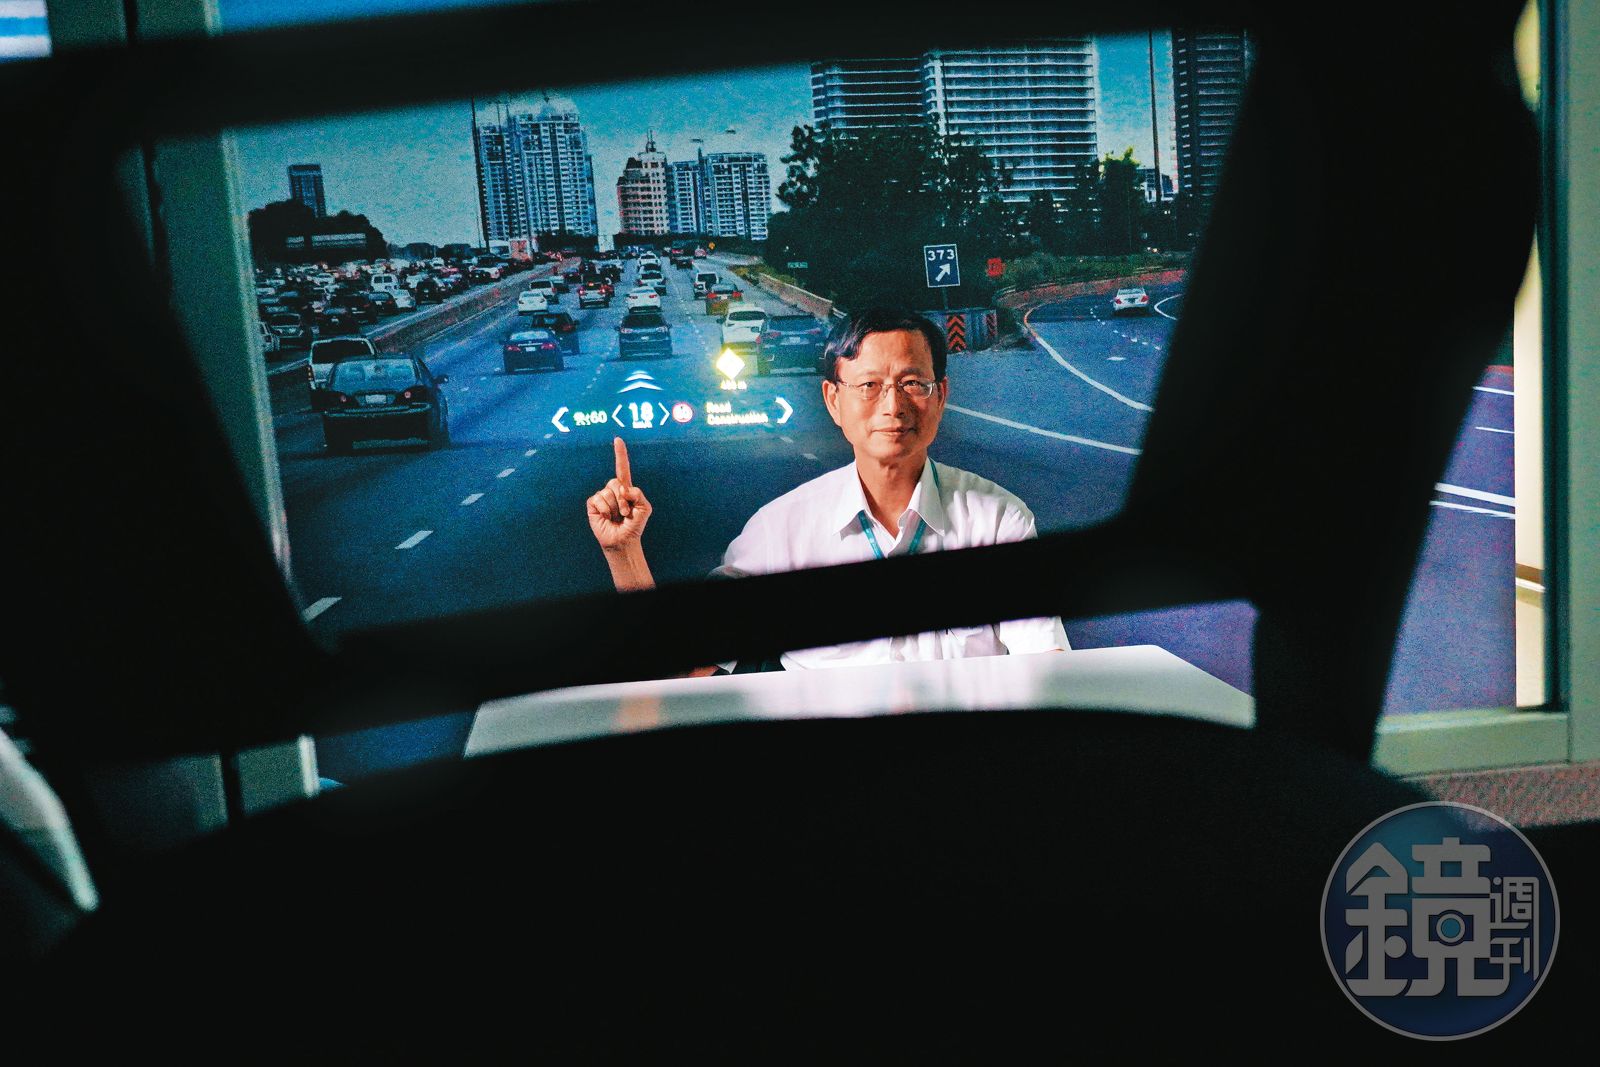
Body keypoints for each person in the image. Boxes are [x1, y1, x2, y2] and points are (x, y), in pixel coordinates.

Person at [585, 303, 1069, 671]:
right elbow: (685, 663)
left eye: (912, 383)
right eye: (869, 386)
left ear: (940, 396)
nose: (893, 407)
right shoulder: (781, 530)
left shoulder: (997, 521)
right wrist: (623, 553)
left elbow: (1049, 669)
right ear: (833, 401)